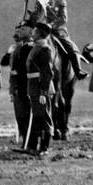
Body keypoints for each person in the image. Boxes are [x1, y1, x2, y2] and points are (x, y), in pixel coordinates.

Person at [24, 22, 58, 156]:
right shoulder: (36, 47)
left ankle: (44, 147)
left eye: (35, 31)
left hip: (40, 88)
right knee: (37, 117)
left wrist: (43, 92)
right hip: (33, 86)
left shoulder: (45, 49)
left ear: (40, 34)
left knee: (44, 117)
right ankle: (32, 146)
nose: (33, 33)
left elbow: (47, 72)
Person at [42, 0, 87, 79]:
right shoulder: (40, 3)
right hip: (42, 30)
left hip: (57, 31)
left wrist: (51, 25)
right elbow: (37, 16)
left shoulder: (60, 3)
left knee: (70, 47)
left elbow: (63, 18)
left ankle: (78, 70)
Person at [1, 24, 34, 146]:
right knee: (19, 114)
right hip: (16, 85)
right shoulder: (14, 49)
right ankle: (24, 137)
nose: (17, 35)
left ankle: (29, 140)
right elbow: (4, 62)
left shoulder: (31, 47)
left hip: (27, 84)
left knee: (27, 114)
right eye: (17, 33)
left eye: (20, 32)